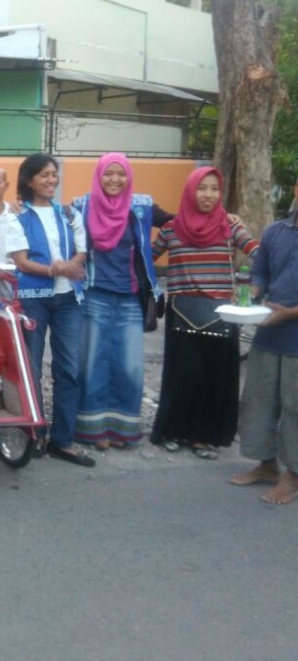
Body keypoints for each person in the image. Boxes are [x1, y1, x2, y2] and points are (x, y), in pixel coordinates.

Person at [150, 167, 258, 459]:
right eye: (202, 188)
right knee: (183, 376)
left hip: (222, 314)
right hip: (182, 313)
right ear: (190, 191)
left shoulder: (230, 226)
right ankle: (172, 431)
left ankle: (203, 436)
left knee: (213, 378)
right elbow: (147, 260)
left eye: (214, 189)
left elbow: (257, 251)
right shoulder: (172, 229)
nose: (208, 195)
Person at [7, 153, 94, 467]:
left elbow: (82, 250)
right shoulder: (16, 216)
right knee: (31, 367)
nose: (51, 180)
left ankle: (63, 440)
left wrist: (71, 267)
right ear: (29, 180)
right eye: (43, 175)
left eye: (53, 174)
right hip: (33, 297)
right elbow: (21, 261)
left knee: (69, 368)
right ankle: (35, 431)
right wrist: (57, 270)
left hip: (69, 299)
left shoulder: (70, 213)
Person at [71, 153, 161, 450]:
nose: (114, 180)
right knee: (93, 362)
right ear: (99, 176)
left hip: (130, 300)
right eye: (108, 174)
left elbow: (179, 219)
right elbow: (54, 223)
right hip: (94, 296)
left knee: (130, 365)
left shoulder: (140, 208)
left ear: (128, 178)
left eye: (120, 174)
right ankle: (94, 431)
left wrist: (228, 217)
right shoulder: (81, 207)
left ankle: (123, 430)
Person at [230, 181, 298, 504]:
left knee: (295, 408)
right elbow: (261, 274)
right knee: (258, 400)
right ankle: (267, 464)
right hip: (268, 331)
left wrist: (290, 313)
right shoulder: (275, 232)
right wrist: (253, 293)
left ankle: (293, 476)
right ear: (296, 189)